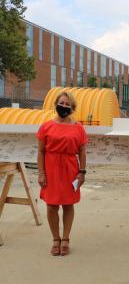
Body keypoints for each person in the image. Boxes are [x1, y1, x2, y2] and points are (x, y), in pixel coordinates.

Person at [36, 91, 88, 256]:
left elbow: (82, 151)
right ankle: (55, 239)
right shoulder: (46, 126)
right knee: (51, 205)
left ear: (72, 108)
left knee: (68, 204)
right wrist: (41, 173)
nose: (64, 106)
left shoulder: (78, 128)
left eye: (67, 104)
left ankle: (65, 239)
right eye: (61, 103)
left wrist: (82, 172)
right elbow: (40, 152)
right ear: (56, 104)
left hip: (70, 169)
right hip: (51, 169)